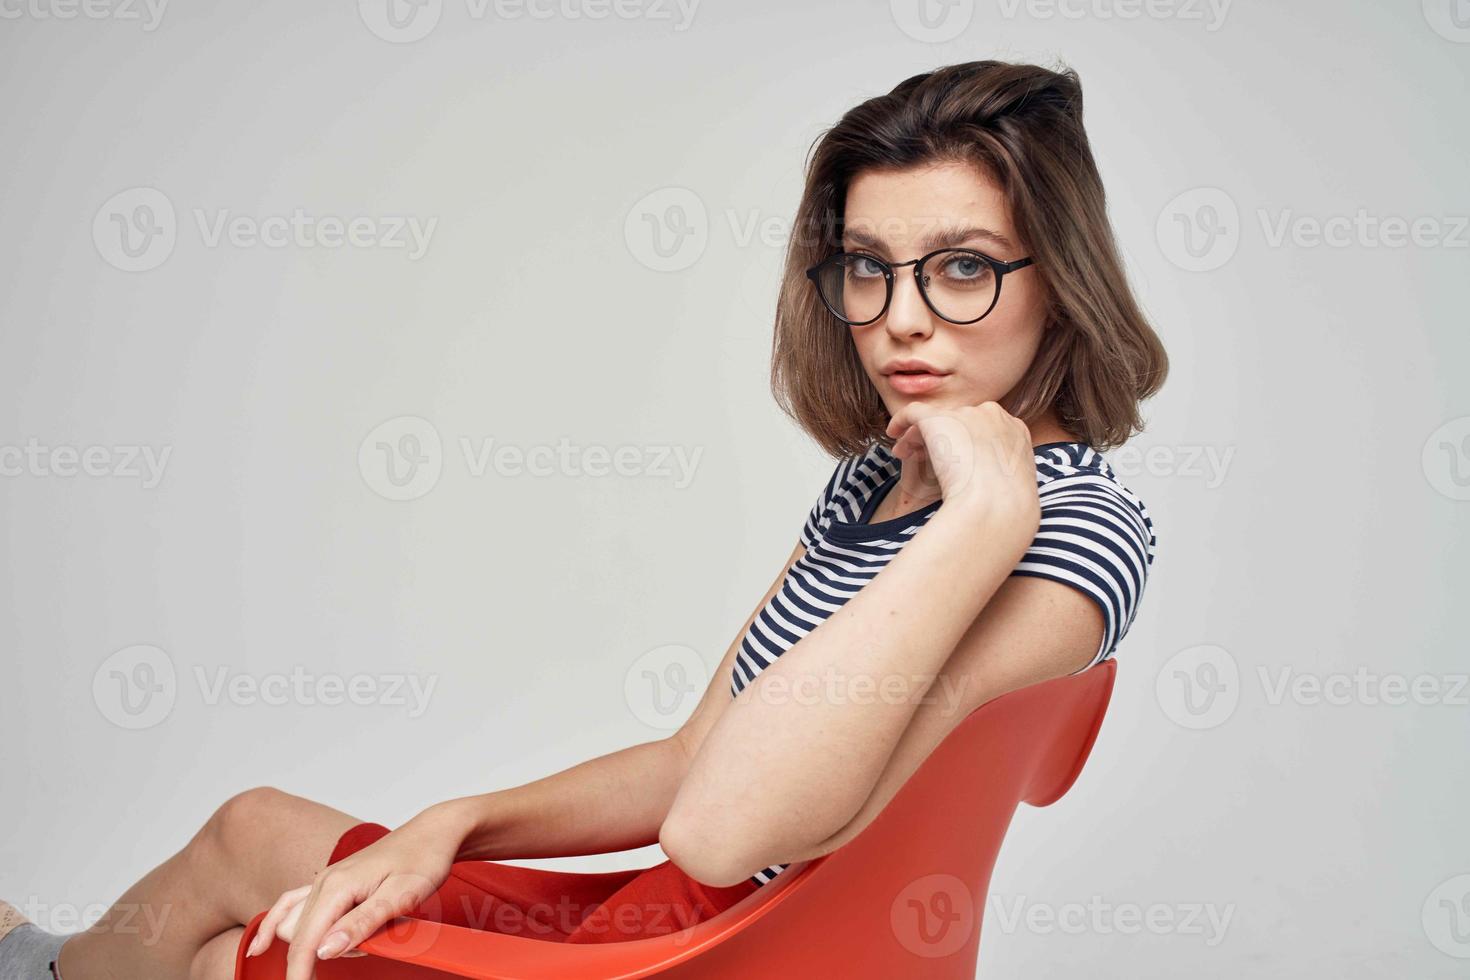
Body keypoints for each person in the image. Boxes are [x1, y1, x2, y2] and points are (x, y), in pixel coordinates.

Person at [1, 58, 1166, 980]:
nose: (902, 320)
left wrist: (985, 514)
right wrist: (454, 823)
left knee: (222, 956)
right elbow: (688, 759)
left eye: (960, 269)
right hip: (663, 916)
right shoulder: (879, 479)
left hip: (722, 953)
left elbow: (721, 830)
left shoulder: (1067, 535)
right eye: (868, 267)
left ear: (1056, 277)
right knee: (251, 828)